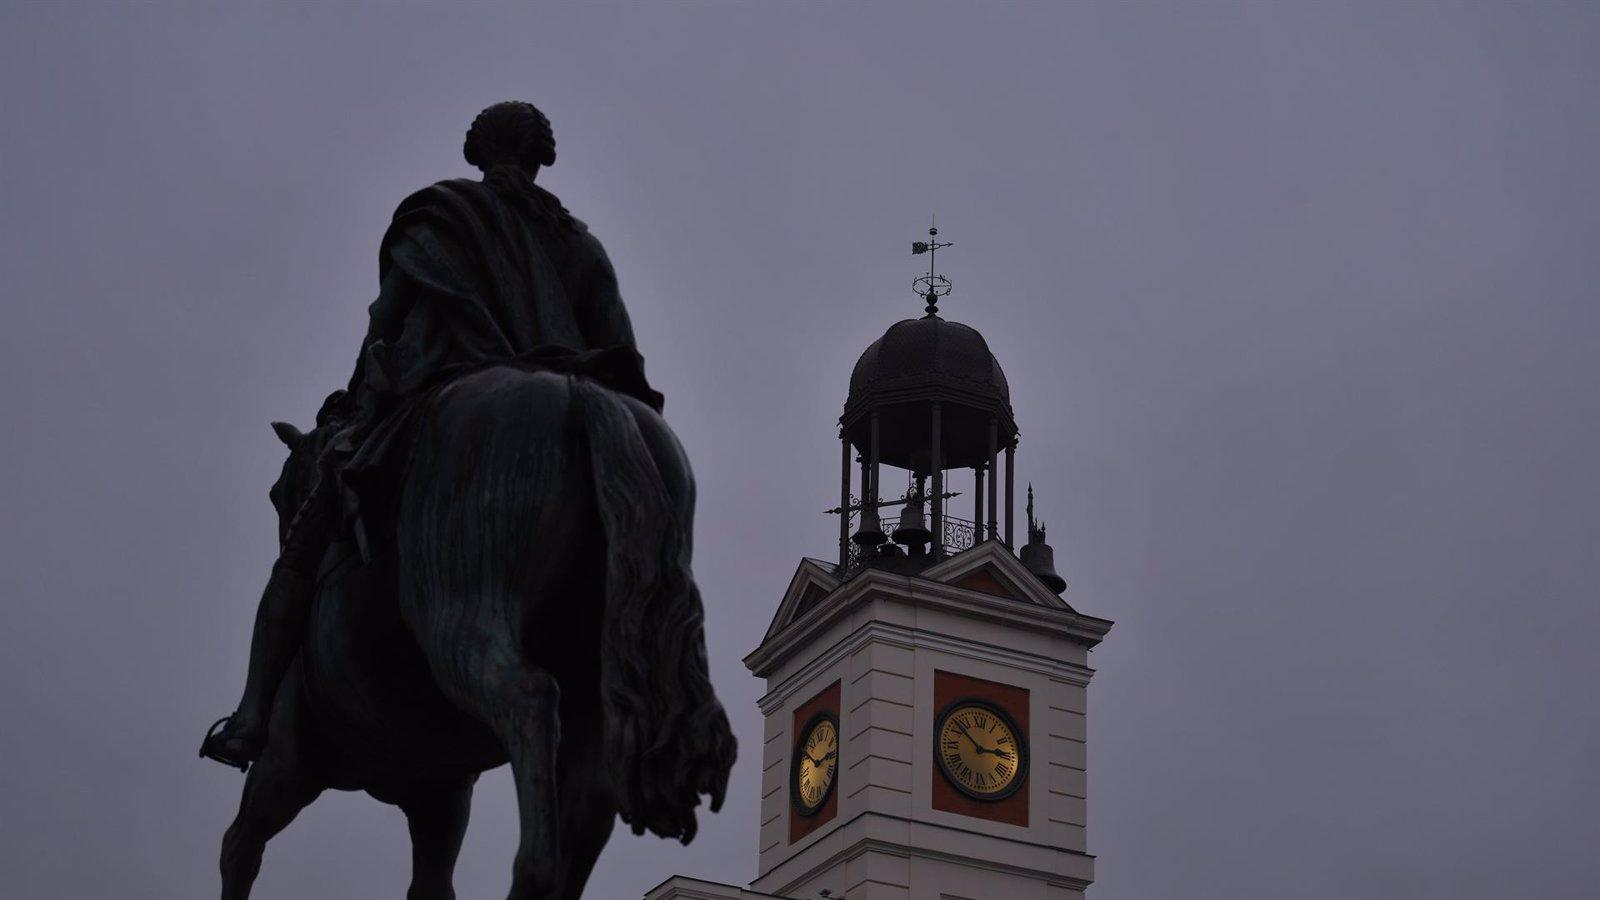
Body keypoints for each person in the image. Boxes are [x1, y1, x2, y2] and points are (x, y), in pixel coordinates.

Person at [200, 101, 661, 770]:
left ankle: (249, 717)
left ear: (478, 152)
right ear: (540, 157)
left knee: (300, 549)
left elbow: (384, 324)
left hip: (439, 392)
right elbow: (620, 350)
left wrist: (356, 404)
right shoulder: (580, 244)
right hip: (581, 395)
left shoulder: (439, 216)